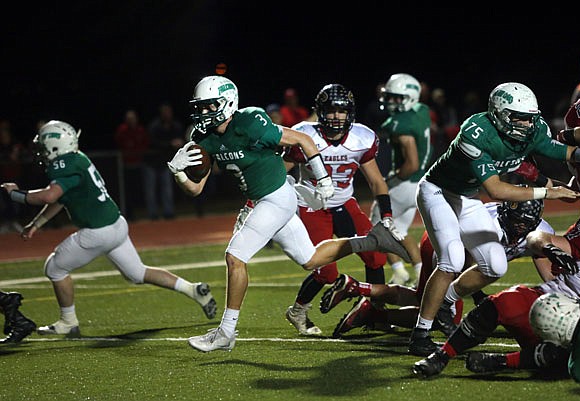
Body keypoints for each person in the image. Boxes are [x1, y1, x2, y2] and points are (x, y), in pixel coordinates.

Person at [168, 75, 410, 352]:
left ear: (227, 103)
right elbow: (196, 190)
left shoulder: (249, 121)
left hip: (277, 197)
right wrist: (178, 174)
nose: (203, 113)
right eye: (201, 107)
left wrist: (323, 180)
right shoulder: (204, 138)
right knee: (311, 260)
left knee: (235, 257)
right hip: (261, 200)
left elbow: (303, 140)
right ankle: (373, 240)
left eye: (210, 106)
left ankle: (226, 332)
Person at [407, 82, 580, 357]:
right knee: (452, 258)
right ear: (498, 113)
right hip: (438, 191)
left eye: (529, 117)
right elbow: (495, 189)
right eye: (519, 117)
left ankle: (446, 302)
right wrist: (548, 192)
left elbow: (557, 150)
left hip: (467, 194)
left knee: (495, 265)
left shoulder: (532, 128)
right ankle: (420, 334)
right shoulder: (477, 132)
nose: (526, 124)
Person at [0, 120, 217, 337]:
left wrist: (15, 194)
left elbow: (50, 195)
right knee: (137, 273)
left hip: (97, 232)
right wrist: (37, 223)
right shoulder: (78, 159)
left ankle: (68, 321)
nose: (40, 151)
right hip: (116, 225)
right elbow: (61, 197)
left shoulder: (64, 164)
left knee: (54, 268)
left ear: (55, 147)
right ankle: (193, 289)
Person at [320, 198, 552, 338]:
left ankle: (358, 289)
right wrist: (476, 295)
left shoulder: (540, 232)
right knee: (437, 312)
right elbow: (467, 266)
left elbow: (545, 265)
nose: (520, 228)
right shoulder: (488, 224)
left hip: (455, 252)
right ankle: (373, 313)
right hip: (443, 246)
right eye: (516, 221)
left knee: (426, 302)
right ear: (506, 213)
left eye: (526, 223)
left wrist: (554, 293)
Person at [412, 220, 580, 378]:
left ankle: (501, 362)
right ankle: (442, 356)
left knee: (576, 356)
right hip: (556, 298)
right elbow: (537, 236)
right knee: (506, 301)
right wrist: (548, 248)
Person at [281, 83, 391, 335]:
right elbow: (280, 170)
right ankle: (297, 311)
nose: (336, 116)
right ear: (320, 112)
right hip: (313, 206)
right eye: (331, 110)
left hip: (345, 204)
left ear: (350, 113)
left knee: (376, 257)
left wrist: (386, 214)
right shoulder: (305, 136)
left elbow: (376, 180)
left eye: (342, 111)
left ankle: (376, 312)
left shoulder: (361, 138)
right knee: (327, 273)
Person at [370, 73, 433, 286]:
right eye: (390, 97)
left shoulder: (397, 123)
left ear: (410, 97)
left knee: (377, 224)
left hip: (407, 182)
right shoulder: (422, 112)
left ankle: (398, 270)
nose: (391, 102)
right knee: (401, 230)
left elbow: (411, 163)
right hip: (421, 183)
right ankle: (419, 272)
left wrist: (393, 179)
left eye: (397, 98)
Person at [143, 103, 186, 220]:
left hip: (166, 162)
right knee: (151, 191)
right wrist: (170, 143)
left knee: (167, 189)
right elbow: (152, 142)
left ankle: (168, 213)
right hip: (151, 162)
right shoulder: (154, 126)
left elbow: (181, 140)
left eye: (169, 112)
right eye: (165, 112)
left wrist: (178, 143)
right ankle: (152, 215)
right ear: (161, 114)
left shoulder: (175, 125)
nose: (167, 115)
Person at [114, 109, 149, 220]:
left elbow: (145, 144)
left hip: (139, 164)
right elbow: (117, 144)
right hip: (126, 166)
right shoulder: (122, 130)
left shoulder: (140, 130)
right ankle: (127, 214)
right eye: (129, 119)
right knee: (126, 192)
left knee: (139, 190)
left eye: (133, 118)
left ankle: (145, 214)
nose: (131, 121)